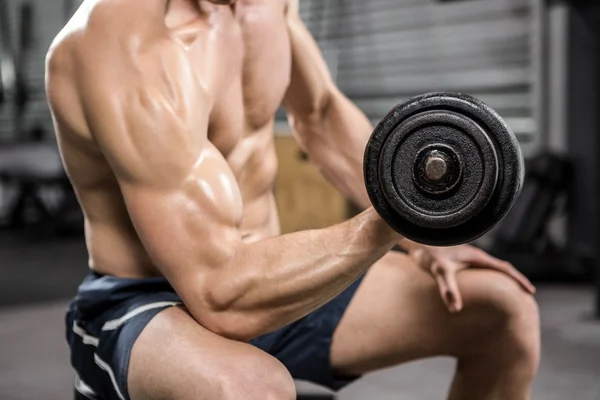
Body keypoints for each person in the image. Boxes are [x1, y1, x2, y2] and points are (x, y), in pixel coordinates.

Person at [45, 0, 540, 399]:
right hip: (148, 301)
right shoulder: (120, 41)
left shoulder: (268, 7)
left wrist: (428, 240)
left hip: (268, 272)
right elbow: (219, 292)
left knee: (502, 310)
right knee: (250, 389)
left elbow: (320, 112)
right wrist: (404, 213)